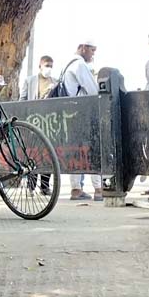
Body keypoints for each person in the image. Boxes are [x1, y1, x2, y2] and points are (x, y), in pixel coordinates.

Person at [63, 39, 102, 201]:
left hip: (69, 113)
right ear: (84, 48)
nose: (93, 54)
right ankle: (99, 189)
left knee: (76, 151)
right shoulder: (80, 65)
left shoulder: (67, 64)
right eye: (92, 50)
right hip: (82, 113)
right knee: (93, 150)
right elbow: (93, 91)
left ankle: (76, 189)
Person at [19, 56, 57, 196]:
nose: (49, 68)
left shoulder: (55, 82)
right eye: (47, 65)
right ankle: (31, 186)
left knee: (47, 156)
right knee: (32, 156)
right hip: (32, 124)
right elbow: (22, 100)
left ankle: (45, 187)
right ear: (40, 66)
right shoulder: (30, 81)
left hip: (48, 124)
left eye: (51, 65)